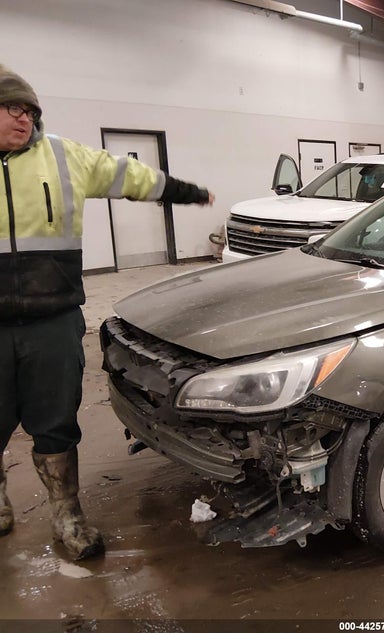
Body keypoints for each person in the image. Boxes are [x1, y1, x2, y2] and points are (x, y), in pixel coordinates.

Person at [0, 65, 214, 560]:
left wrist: (185, 190)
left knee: (55, 420)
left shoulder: (60, 155)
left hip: (51, 319)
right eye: (13, 109)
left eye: (31, 111)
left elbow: (127, 174)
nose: (25, 119)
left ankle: (67, 513)